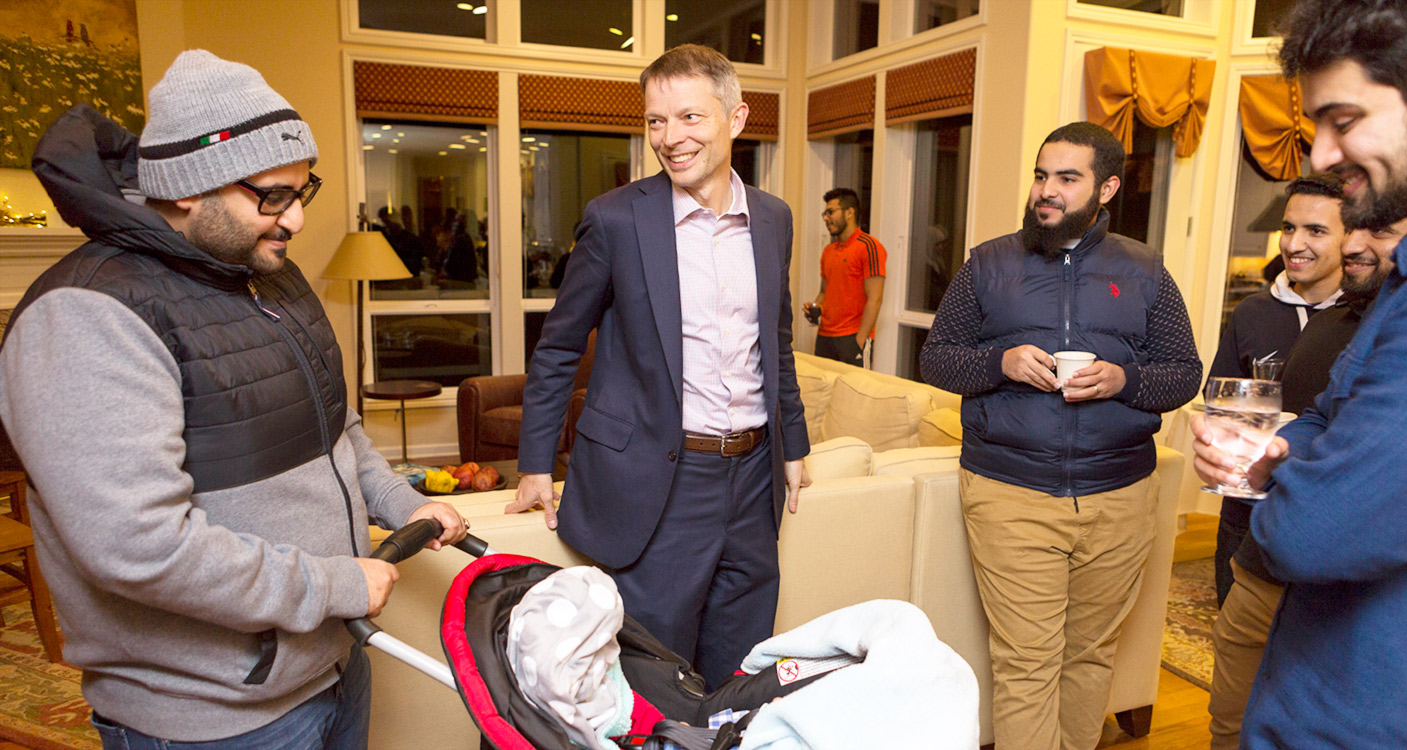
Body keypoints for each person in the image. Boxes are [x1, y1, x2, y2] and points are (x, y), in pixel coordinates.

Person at [0, 50, 467, 749]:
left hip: (329, 665)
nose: (295, 220)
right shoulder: (84, 314)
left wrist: (405, 504)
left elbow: (336, 433)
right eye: (271, 195)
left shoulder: (267, 275)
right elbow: (138, 547)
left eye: (300, 191)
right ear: (189, 187)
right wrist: (333, 587)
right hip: (215, 717)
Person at [505, 44, 810, 691]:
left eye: (690, 118)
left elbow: (774, 342)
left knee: (739, 665)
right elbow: (559, 345)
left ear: (736, 118)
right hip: (664, 482)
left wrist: (794, 442)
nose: (670, 138)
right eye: (655, 121)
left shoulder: (773, 219)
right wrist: (535, 464)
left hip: (754, 479)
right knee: (655, 672)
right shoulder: (616, 219)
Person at [920, 122, 1201, 750]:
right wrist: (1001, 363)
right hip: (1010, 491)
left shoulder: (1145, 268)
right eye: (1042, 175)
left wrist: (1123, 380)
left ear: (1106, 188)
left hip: (1119, 495)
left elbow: (1184, 372)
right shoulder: (988, 264)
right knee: (1027, 662)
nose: (1046, 191)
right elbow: (937, 358)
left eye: (1066, 179)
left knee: (1090, 656)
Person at [1192, 1, 1407, 745]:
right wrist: (1299, 458)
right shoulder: (1401, 283)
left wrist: (1273, 478)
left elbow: (1314, 531)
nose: (1321, 152)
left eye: (1343, 119)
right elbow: (1327, 413)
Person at [1206, 216, 1407, 750]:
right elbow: (1318, 417)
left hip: (1348, 591)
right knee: (1232, 721)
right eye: (1355, 229)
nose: (1356, 246)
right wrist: (1278, 451)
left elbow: (1321, 528)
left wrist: (1290, 486)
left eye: (1381, 231)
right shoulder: (1337, 322)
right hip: (1262, 565)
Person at [1206, 174, 1346, 607]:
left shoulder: (1368, 319)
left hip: (1325, 518)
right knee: (1235, 648)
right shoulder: (1252, 312)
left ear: (1352, 237)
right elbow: (1219, 402)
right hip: (1244, 515)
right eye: (1288, 228)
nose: (1293, 243)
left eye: (1316, 231)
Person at [803, 188, 885, 365]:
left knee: (855, 392)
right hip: (825, 337)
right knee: (821, 391)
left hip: (852, 338)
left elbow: (875, 299)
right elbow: (824, 293)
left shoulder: (869, 247)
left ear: (849, 212)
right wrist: (815, 308)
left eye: (831, 212)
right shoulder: (828, 251)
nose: (826, 218)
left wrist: (860, 341)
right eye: (825, 213)